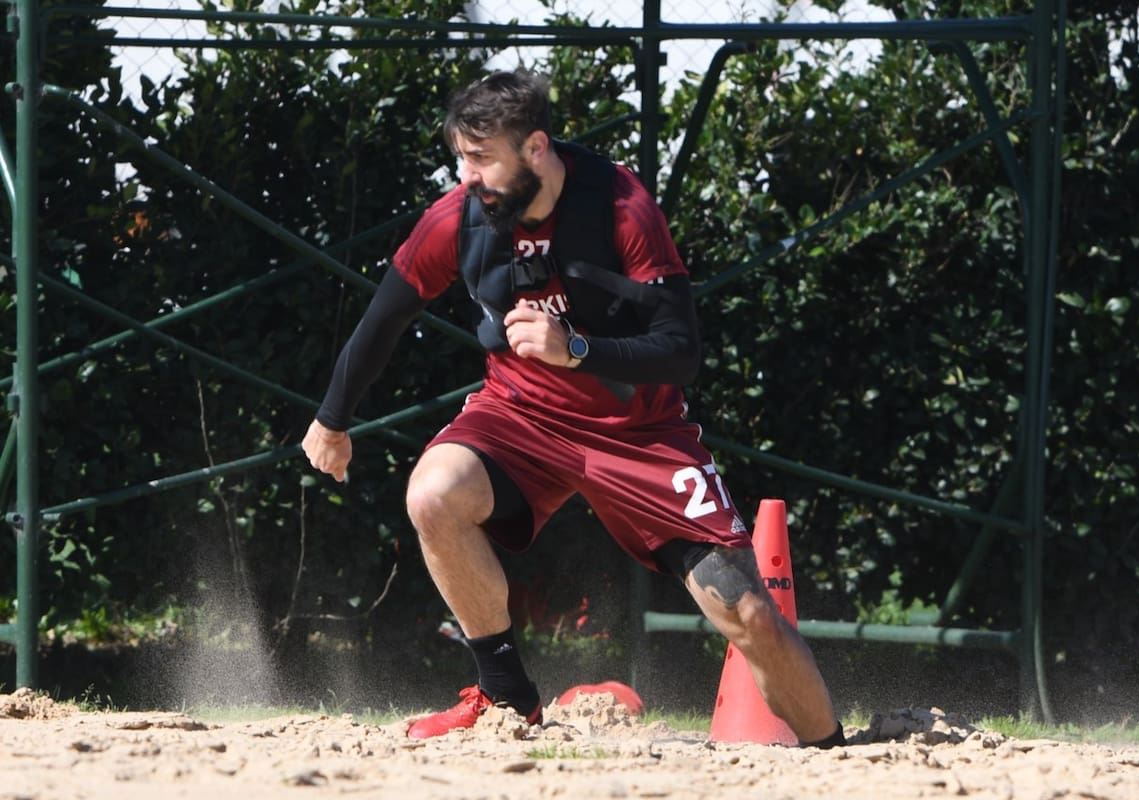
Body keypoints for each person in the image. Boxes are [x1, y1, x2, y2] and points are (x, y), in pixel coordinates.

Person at [301, 69, 845, 747]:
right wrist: (332, 418)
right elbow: (385, 316)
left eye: (481, 159)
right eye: (460, 158)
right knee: (433, 495)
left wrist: (578, 349)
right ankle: (506, 698)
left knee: (749, 614)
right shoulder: (459, 218)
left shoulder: (622, 208)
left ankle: (831, 752)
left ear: (535, 148)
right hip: (520, 417)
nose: (466, 176)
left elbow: (680, 351)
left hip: (639, 434)